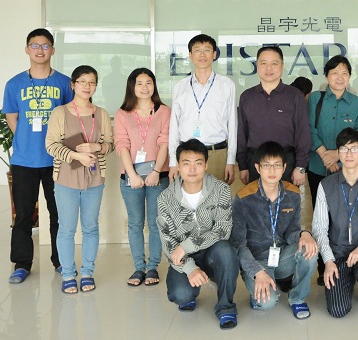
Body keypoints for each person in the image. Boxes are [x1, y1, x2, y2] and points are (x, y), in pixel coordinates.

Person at [3, 28, 73, 284]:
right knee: (23, 215)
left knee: (59, 214)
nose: (40, 50)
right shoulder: (14, 84)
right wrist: (28, 141)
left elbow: (71, 118)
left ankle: (60, 260)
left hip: (57, 160)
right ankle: (22, 264)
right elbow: (13, 118)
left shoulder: (64, 83)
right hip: (24, 160)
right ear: (27, 49)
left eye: (45, 46)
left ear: (52, 50)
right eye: (35, 45)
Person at [45, 65, 114, 294]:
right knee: (66, 228)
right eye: (82, 81)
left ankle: (87, 272)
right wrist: (76, 156)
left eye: (92, 82)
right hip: (66, 178)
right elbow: (50, 145)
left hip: (94, 179)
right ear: (73, 84)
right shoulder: (60, 112)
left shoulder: (101, 113)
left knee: (91, 227)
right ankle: (67, 274)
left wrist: (97, 147)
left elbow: (110, 145)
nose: (87, 86)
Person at [157, 139, 238, 330]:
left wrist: (187, 245)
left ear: (206, 165)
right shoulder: (165, 198)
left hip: (213, 252)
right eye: (186, 163)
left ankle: (225, 306)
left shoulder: (221, 190)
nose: (192, 169)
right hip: (184, 257)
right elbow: (169, 243)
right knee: (181, 295)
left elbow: (223, 230)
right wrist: (190, 268)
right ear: (178, 165)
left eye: (198, 163)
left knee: (226, 251)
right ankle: (191, 289)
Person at [230, 141, 318, 319]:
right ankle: (260, 291)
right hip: (257, 260)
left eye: (277, 165)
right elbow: (239, 244)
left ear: (284, 167)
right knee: (267, 302)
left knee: (310, 249)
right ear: (258, 168)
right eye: (266, 165)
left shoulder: (292, 194)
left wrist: (304, 234)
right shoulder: (243, 198)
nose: (272, 170)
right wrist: (257, 272)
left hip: (282, 255)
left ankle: (297, 298)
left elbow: (292, 232)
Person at [312, 128, 358, 318]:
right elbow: (319, 228)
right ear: (338, 153)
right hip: (338, 251)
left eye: (354, 149)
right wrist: (328, 261)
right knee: (337, 310)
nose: (349, 154)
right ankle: (347, 275)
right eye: (344, 149)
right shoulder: (325, 185)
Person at [307, 55, 358, 285]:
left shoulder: (357, 103)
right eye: (334, 73)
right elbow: (309, 129)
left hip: (347, 169)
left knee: (344, 216)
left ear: (349, 76)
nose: (339, 77)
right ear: (326, 76)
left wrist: (339, 158)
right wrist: (326, 155)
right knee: (321, 218)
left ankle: (346, 263)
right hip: (318, 167)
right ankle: (324, 267)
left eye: (344, 73)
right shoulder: (315, 99)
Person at [114, 68, 171, 287]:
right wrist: (132, 174)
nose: (144, 87)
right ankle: (139, 267)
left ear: (154, 86)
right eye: (139, 83)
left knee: (156, 223)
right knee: (135, 223)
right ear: (132, 86)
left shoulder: (164, 111)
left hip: (158, 176)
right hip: (131, 177)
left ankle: (153, 266)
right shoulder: (123, 113)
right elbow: (121, 144)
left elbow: (165, 142)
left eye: (149, 83)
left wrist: (156, 171)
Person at [237, 46, 311, 186]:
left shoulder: (295, 96)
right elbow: (241, 134)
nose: (269, 68)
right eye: (263, 63)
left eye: (274, 63)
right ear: (257, 66)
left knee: (287, 200)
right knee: (256, 200)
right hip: (255, 163)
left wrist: (300, 167)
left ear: (282, 66)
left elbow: (303, 133)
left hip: (287, 163)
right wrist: (243, 166)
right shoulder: (247, 97)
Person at [169, 34, 237, 184]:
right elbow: (174, 126)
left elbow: (232, 124)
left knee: (217, 198)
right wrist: (173, 161)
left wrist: (230, 160)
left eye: (207, 50)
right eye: (197, 50)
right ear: (190, 55)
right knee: (188, 198)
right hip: (187, 156)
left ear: (214, 54)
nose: (202, 55)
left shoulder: (227, 85)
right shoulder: (180, 87)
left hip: (217, 154)